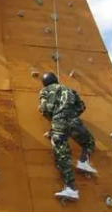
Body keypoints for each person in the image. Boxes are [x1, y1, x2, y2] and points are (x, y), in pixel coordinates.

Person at [38, 72, 97, 201]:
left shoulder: (45, 90)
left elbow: (44, 108)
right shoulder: (69, 89)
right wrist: (72, 114)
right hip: (74, 121)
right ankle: (83, 161)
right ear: (56, 79)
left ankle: (71, 188)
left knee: (63, 156)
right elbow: (82, 106)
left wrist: (54, 119)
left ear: (44, 82)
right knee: (89, 142)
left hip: (58, 123)